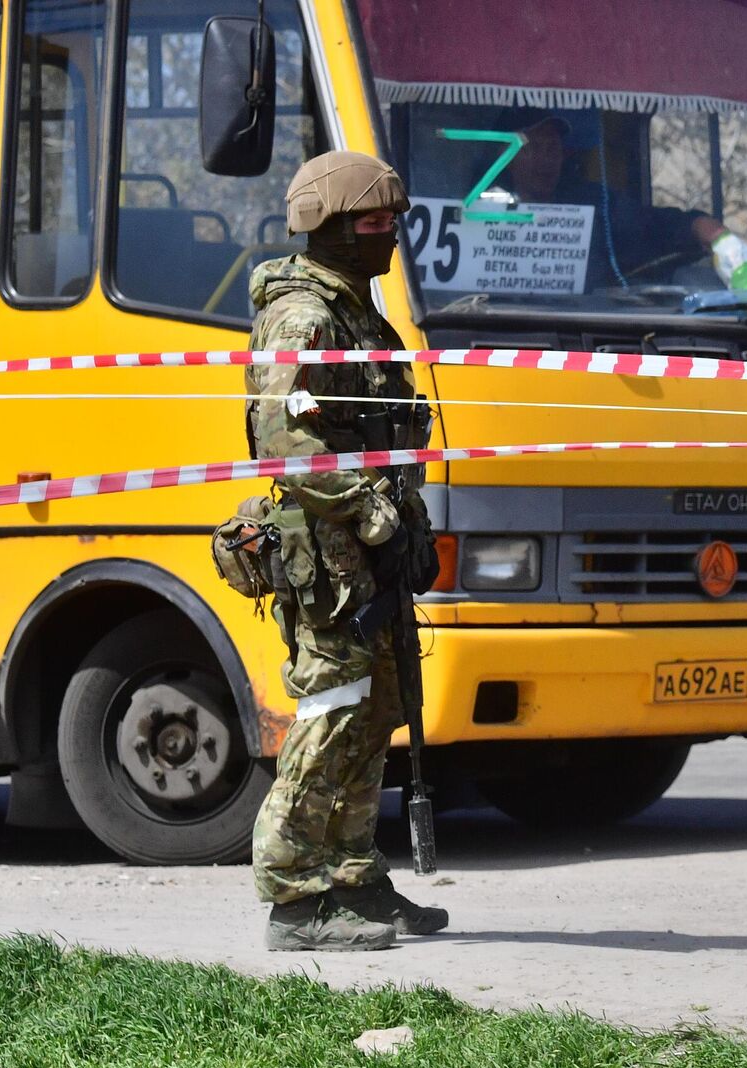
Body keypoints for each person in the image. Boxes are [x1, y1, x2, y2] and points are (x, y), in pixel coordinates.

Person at [246, 150, 447, 950]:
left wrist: (406, 526)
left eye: (394, 220)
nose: (390, 234)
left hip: (375, 547)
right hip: (329, 556)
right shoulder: (305, 316)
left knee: (377, 712)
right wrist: (373, 517)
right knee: (332, 711)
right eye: (374, 221)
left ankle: (353, 878)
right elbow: (283, 440)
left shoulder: (360, 310)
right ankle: (295, 899)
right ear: (329, 227)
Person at [500, 112, 747, 293]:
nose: (545, 159)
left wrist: (705, 229)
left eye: (552, 148)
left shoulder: (595, 206)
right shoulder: (482, 208)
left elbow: (653, 226)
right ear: (506, 154)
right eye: (532, 148)